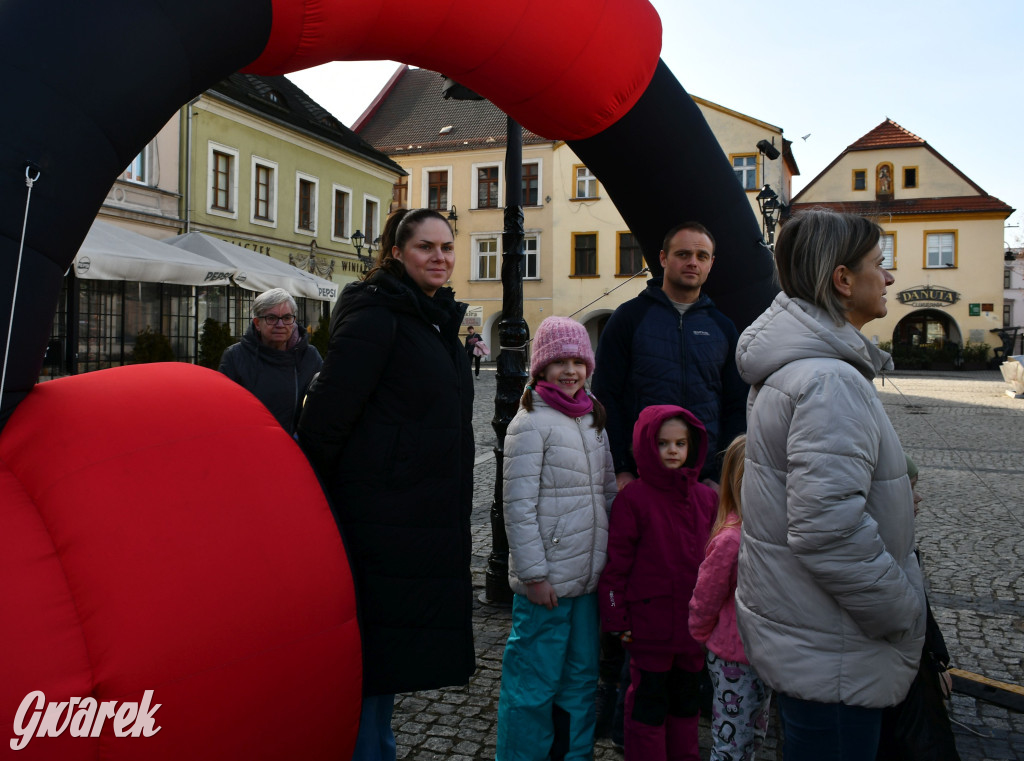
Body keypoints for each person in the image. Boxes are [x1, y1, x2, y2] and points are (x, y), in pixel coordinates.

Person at [734, 209, 927, 761]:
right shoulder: (829, 380)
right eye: (878, 264)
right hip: (836, 649)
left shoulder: (804, 370)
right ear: (842, 279)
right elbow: (827, 530)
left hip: (813, 638)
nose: (888, 277)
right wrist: (901, 609)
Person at [297, 208, 475, 761]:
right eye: (426, 247)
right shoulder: (379, 316)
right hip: (379, 518)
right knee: (371, 659)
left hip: (417, 516)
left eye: (447, 247)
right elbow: (326, 418)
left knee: (387, 658)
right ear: (396, 252)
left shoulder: (430, 317)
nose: (440, 257)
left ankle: (377, 749)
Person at [591, 221, 747, 742]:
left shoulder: (721, 326)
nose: (692, 263)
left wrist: (718, 476)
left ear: (711, 263)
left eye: (702, 255)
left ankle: (690, 685)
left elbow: (734, 406)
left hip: (701, 487)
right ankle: (617, 690)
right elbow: (608, 397)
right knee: (635, 576)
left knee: (698, 578)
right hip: (641, 481)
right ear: (662, 258)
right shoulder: (630, 319)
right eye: (683, 254)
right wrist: (622, 467)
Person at [496, 316, 617, 761]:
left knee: (580, 679)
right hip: (545, 584)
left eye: (578, 362)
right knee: (532, 683)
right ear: (542, 367)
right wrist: (533, 575)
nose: (570, 370)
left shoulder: (593, 417)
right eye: (560, 361)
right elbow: (518, 506)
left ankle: (572, 755)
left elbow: (607, 491)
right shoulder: (530, 422)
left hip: (586, 580)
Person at [598, 405, 718, 761]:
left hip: (692, 630)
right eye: (663, 443)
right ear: (647, 446)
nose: (672, 451)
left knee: (685, 703)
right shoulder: (633, 499)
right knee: (647, 705)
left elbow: (715, 564)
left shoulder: (706, 498)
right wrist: (616, 617)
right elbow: (616, 569)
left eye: (680, 443)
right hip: (648, 629)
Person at [688, 434, 772, 761]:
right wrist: (700, 633)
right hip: (732, 657)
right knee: (732, 740)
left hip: (763, 654)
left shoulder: (768, 533)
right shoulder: (731, 540)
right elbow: (706, 594)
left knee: (754, 735)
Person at [876, 456, 960, 761]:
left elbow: (924, 615)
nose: (919, 497)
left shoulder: (903, 544)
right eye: (910, 488)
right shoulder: (881, 553)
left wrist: (937, 661)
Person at [217, 287, 322, 436]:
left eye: (287, 318)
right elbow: (223, 409)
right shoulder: (235, 357)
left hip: (296, 446)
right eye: (271, 318)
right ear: (257, 323)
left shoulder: (309, 356)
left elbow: (321, 405)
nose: (280, 325)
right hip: (250, 443)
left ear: (294, 321)